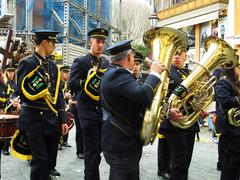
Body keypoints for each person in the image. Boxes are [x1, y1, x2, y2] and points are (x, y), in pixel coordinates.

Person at [101, 39, 182, 180]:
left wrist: (167, 112)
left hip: (125, 141)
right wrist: (155, 73)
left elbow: (136, 104)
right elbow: (143, 96)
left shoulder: (117, 74)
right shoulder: (117, 75)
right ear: (129, 57)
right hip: (121, 143)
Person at [17, 30, 68, 180]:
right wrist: (39, 86)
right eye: (53, 43)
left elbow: (58, 94)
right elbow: (21, 90)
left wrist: (63, 119)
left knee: (49, 162)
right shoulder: (27, 63)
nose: (54, 46)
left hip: (51, 119)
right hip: (33, 120)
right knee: (39, 161)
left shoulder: (53, 66)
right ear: (45, 43)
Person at [159, 47, 208, 180]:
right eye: (174, 53)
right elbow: (157, 98)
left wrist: (199, 109)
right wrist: (169, 111)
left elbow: (195, 96)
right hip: (173, 124)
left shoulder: (189, 73)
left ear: (185, 55)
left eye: (180, 53)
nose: (177, 56)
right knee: (179, 164)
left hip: (189, 124)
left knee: (185, 162)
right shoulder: (165, 72)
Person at [69, 27, 109, 180]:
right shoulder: (81, 61)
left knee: (98, 149)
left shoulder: (106, 62)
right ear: (90, 42)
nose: (100, 45)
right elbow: (72, 84)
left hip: (103, 112)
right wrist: (90, 81)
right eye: (98, 41)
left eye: (103, 42)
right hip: (87, 112)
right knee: (92, 152)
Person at [215, 59, 240, 180]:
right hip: (229, 128)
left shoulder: (235, 82)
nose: (239, 70)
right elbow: (225, 102)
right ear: (232, 69)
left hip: (236, 129)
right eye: (238, 68)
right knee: (230, 163)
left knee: (235, 164)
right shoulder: (223, 82)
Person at [2, 64, 19, 155]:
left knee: (11, 127)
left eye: (12, 71)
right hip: (4, 107)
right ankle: (4, 147)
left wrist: (17, 101)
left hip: (13, 107)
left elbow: (17, 94)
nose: (11, 73)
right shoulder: (4, 83)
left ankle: (9, 146)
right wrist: (10, 100)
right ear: (6, 72)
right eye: (9, 71)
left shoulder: (15, 84)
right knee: (4, 127)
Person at [59, 65, 72, 149]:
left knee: (67, 121)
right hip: (60, 106)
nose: (66, 74)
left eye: (67, 72)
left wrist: (70, 96)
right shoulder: (58, 83)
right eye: (64, 72)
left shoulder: (68, 83)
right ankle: (59, 141)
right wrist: (64, 96)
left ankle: (65, 141)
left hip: (67, 106)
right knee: (60, 123)